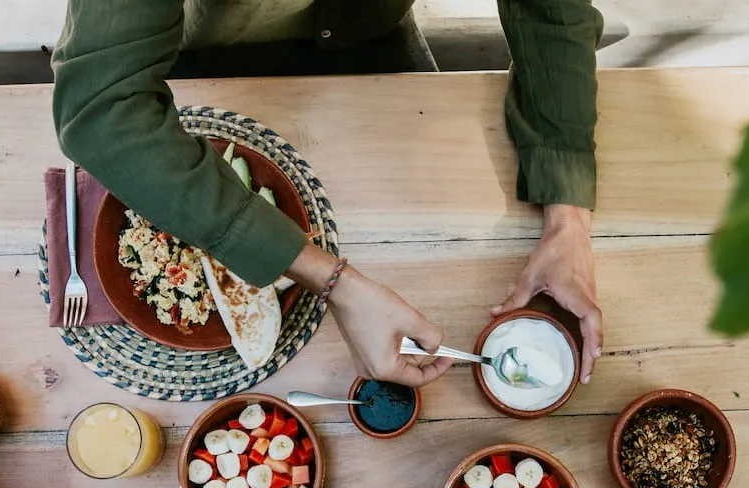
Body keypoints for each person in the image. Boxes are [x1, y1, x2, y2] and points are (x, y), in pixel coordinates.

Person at [52, 0, 604, 387]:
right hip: (214, 50)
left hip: (372, 37)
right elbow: (103, 112)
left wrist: (567, 216)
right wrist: (333, 279)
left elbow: (551, 11)